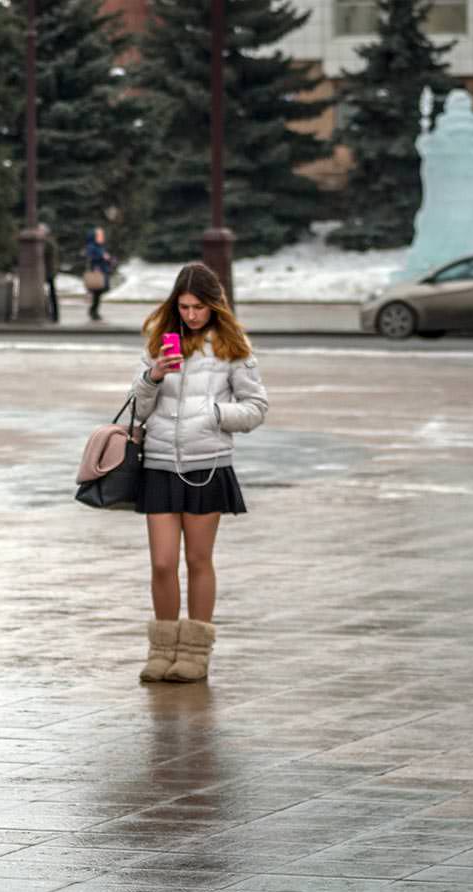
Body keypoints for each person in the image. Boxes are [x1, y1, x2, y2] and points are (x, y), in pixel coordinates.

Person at [129, 262, 268, 683]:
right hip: (158, 464)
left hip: (206, 465)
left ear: (214, 306)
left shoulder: (232, 346)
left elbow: (256, 407)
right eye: (185, 306)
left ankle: (193, 654)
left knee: (198, 559)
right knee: (162, 563)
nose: (191, 315)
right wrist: (152, 377)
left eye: (199, 307)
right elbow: (137, 408)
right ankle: (162, 650)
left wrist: (214, 415)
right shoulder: (159, 342)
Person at [84, 227, 114, 322]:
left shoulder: (99, 246)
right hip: (97, 272)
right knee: (97, 292)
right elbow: (91, 258)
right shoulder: (92, 246)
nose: (102, 237)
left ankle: (94, 311)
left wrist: (108, 259)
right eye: (100, 235)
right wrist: (103, 257)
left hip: (103, 271)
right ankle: (93, 311)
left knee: (99, 292)